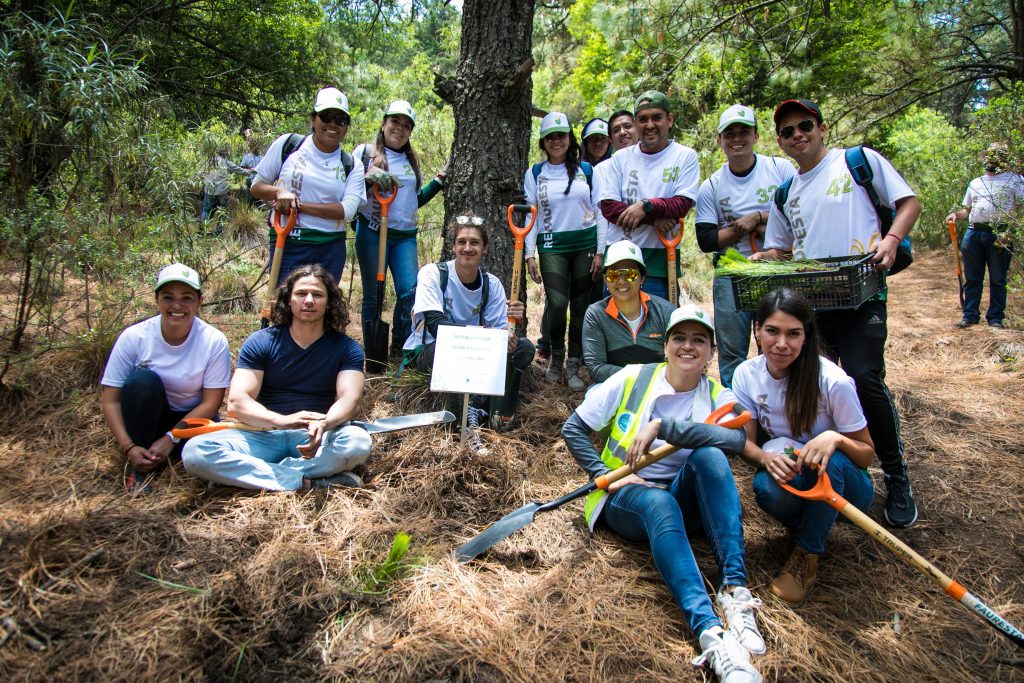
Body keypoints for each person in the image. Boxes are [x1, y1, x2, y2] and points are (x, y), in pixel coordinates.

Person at [562, 304, 764, 683]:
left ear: (711, 352)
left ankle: (735, 592)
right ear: (666, 345)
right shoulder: (632, 378)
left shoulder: (717, 393)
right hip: (626, 496)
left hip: (681, 498)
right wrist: (606, 474)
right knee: (660, 501)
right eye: (680, 338)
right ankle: (711, 634)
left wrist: (664, 426)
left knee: (711, 458)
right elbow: (573, 429)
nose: (688, 347)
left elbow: (737, 438)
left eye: (699, 340)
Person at [757, 99, 921, 529]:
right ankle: (841, 469)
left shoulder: (856, 162)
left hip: (862, 294)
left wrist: (891, 239)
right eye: (788, 131)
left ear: (822, 127)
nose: (798, 135)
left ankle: (896, 474)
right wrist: (762, 257)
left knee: (864, 377)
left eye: (804, 125)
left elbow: (908, 202)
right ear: (780, 141)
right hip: (814, 304)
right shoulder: (785, 191)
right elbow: (782, 247)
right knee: (818, 383)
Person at [733, 288, 875, 605]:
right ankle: (815, 524)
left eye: (793, 334)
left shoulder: (832, 381)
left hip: (847, 490)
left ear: (806, 336)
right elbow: (748, 444)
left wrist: (835, 438)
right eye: (772, 331)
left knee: (833, 459)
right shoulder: (747, 375)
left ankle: (807, 553)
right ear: (757, 329)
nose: (781, 344)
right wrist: (765, 459)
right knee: (765, 486)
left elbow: (866, 453)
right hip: (801, 480)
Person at [182, 264, 371, 491]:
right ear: (288, 299)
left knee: (358, 443)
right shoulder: (261, 341)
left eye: (317, 294)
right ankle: (307, 482)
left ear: (329, 302)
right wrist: (280, 421)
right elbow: (237, 402)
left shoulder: (347, 348)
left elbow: (350, 400)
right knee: (196, 452)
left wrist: (325, 423)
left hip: (318, 436)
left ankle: (251, 474)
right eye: (301, 293)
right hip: (263, 433)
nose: (309, 300)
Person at [401, 216, 535, 449]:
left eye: (474, 242)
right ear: (453, 246)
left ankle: (494, 410)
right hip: (432, 351)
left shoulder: (491, 283)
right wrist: (487, 338)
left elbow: (499, 330)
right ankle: (464, 424)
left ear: (484, 248)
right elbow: (436, 326)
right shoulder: (433, 274)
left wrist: (509, 333)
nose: (467, 248)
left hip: (476, 353)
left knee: (524, 348)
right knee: (448, 351)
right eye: (461, 241)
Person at [101, 264, 231, 494]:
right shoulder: (135, 337)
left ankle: (177, 459)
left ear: (199, 302)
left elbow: (210, 403)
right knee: (143, 382)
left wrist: (171, 437)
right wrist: (128, 446)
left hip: (190, 422)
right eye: (168, 297)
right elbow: (111, 400)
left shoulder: (213, 341)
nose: (177, 306)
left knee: (209, 453)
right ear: (157, 300)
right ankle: (139, 469)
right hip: (146, 418)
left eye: (187, 298)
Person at [695, 104, 796, 387]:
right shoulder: (712, 186)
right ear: (720, 141)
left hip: (779, 269)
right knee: (731, 352)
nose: (736, 138)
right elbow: (706, 240)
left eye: (743, 131)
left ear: (756, 136)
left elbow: (798, 215)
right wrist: (740, 227)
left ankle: (781, 403)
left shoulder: (780, 169)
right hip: (732, 273)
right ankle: (736, 413)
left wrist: (760, 217)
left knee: (778, 345)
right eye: (729, 134)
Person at [354, 100, 447, 360]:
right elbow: (348, 189)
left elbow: (413, 201)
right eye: (395, 122)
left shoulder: (410, 160)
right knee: (374, 295)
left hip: (404, 236)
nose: (400, 128)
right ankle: (373, 354)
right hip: (372, 232)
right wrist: (366, 177)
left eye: (406, 125)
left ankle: (399, 348)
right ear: (384, 123)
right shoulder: (365, 153)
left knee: (409, 292)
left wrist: (438, 181)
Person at [250, 87, 366, 287]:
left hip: (330, 247)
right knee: (284, 308)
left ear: (346, 127)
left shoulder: (352, 165)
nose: (333, 124)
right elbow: (256, 186)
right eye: (326, 116)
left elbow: (346, 211)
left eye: (341, 120)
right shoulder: (289, 145)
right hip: (288, 241)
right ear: (314, 119)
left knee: (323, 310)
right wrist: (279, 192)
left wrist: (298, 206)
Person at [596, 91, 700, 301]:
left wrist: (645, 206)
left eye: (656, 117)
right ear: (636, 123)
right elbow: (608, 207)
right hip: (619, 262)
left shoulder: (685, 156)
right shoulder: (621, 158)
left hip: (661, 264)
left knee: (660, 330)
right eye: (643, 119)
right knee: (618, 330)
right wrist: (654, 218)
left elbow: (681, 203)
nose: (650, 125)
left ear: (669, 120)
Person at [524, 112, 601, 391]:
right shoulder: (535, 172)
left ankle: (573, 364)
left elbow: (599, 212)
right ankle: (557, 357)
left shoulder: (587, 171)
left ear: (570, 138)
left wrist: (601, 251)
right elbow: (531, 214)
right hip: (551, 245)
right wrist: (529, 254)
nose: (557, 141)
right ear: (543, 142)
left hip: (585, 244)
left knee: (580, 307)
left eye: (562, 135)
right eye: (551, 137)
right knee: (556, 304)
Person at [945, 142, 1022, 330]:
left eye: (996, 155)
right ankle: (970, 316)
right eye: (990, 155)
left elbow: (1019, 210)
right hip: (973, 233)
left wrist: (1010, 232)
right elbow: (967, 210)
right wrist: (956, 215)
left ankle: (995, 318)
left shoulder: (1015, 180)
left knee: (997, 278)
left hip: (1000, 234)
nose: (992, 159)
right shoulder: (976, 182)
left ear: (1003, 159)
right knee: (972, 277)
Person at [581, 240, 676, 383]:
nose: (621, 281)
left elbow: (678, 361)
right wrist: (641, 376)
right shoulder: (596, 314)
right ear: (605, 280)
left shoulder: (665, 311)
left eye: (630, 274)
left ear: (642, 278)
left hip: (660, 387)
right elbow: (596, 368)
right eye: (613, 275)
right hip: (613, 388)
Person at [201, 148, 249, 231]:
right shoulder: (227, 162)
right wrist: (252, 171)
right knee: (222, 212)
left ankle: (203, 230)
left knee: (206, 210)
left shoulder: (209, 161)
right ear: (225, 154)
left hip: (209, 190)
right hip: (222, 191)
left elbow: (202, 172)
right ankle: (218, 232)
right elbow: (240, 170)